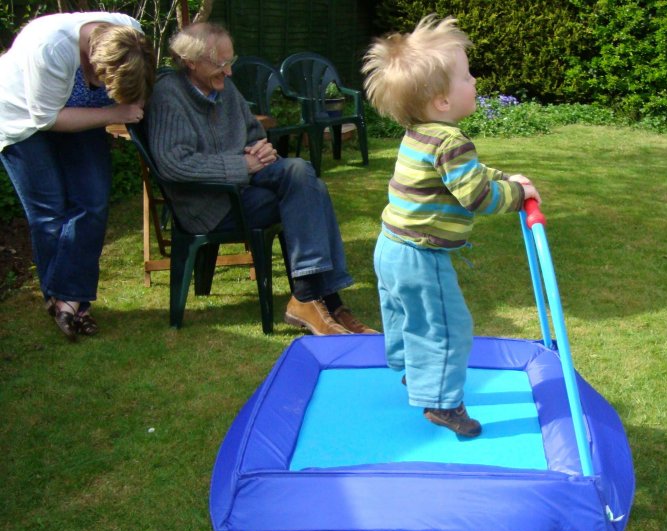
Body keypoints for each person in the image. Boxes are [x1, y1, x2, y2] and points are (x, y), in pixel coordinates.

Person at [362, 15, 541, 437]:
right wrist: (517, 196)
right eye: (466, 76)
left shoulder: (418, 134)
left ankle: (412, 370)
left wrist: (505, 177)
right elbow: (476, 195)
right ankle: (443, 403)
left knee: (406, 315)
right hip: (420, 256)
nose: (475, 81)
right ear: (442, 101)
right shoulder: (451, 141)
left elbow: (469, 174)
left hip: (389, 246)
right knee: (447, 327)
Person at [145, 22, 374, 336]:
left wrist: (261, 148)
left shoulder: (224, 89)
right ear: (191, 61)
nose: (228, 72)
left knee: (300, 173)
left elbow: (252, 131)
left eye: (231, 61)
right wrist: (243, 164)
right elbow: (174, 164)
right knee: (308, 192)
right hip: (208, 204)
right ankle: (323, 299)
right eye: (221, 64)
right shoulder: (169, 96)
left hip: (244, 187)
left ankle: (310, 299)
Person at [0, 11, 155, 340]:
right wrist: (113, 112)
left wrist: (133, 97)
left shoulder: (130, 35)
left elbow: (138, 84)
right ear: (94, 65)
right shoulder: (49, 48)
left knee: (93, 200)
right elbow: (46, 120)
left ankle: (65, 300)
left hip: (79, 112)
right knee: (50, 211)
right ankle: (68, 304)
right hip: (22, 119)